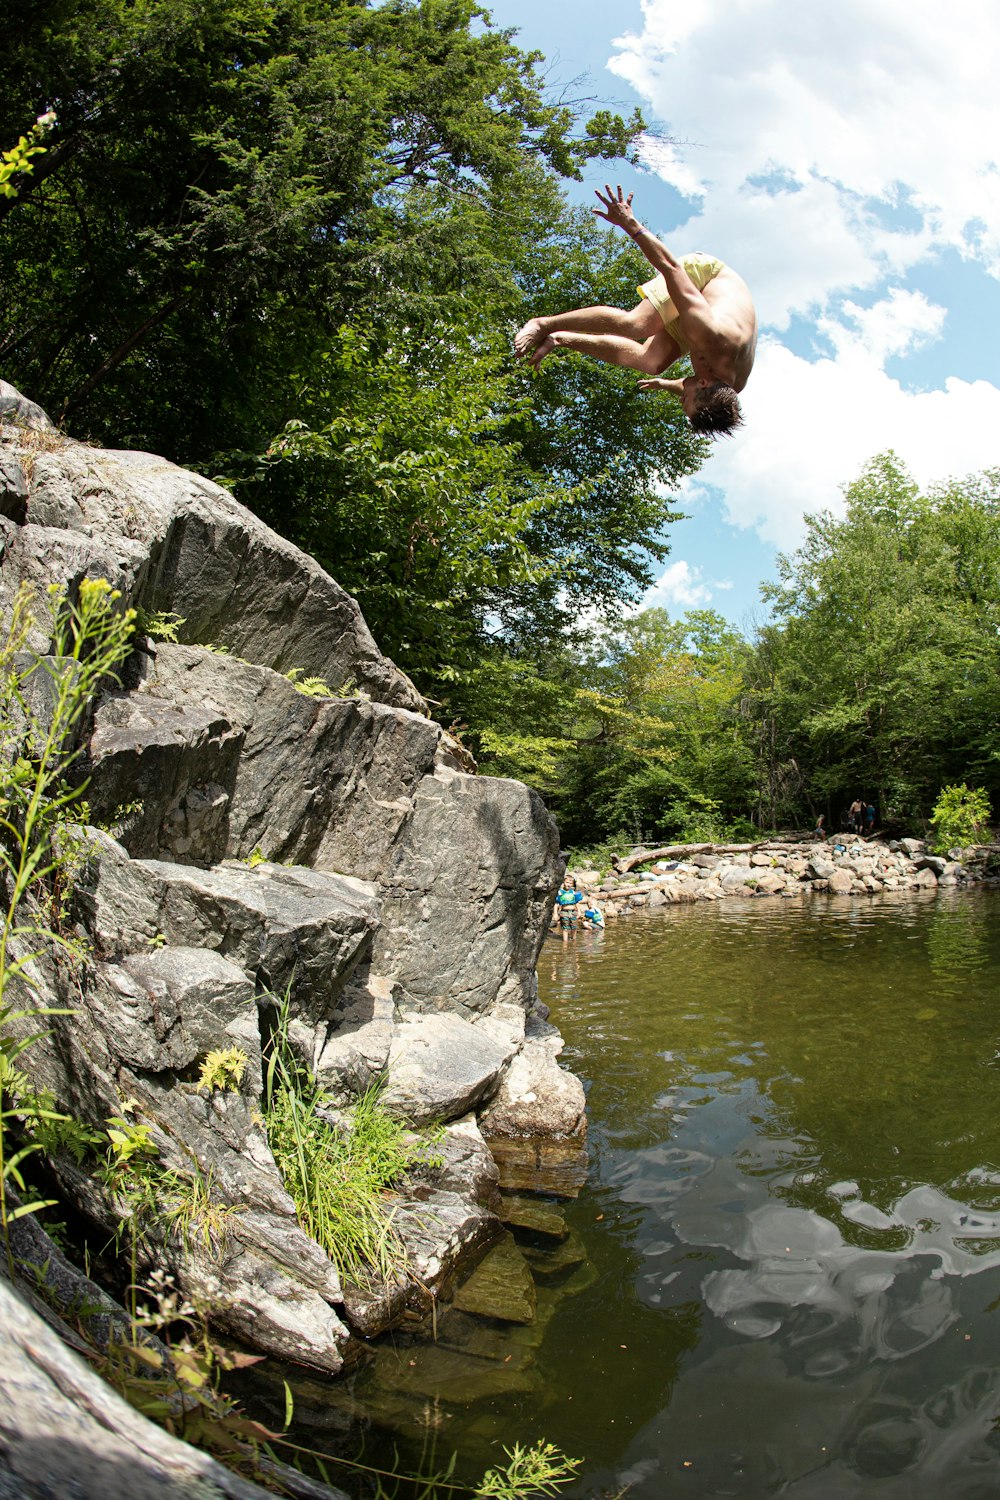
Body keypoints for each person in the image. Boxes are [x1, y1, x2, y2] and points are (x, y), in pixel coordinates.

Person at [515, 185, 757, 437]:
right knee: (638, 324)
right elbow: (671, 268)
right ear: (704, 383)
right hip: (705, 277)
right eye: (684, 399)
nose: (681, 396)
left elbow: (687, 387)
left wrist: (663, 383)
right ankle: (544, 324)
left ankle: (559, 339)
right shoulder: (710, 334)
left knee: (652, 363)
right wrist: (630, 224)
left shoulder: (725, 388)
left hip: (703, 317)